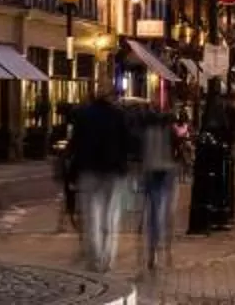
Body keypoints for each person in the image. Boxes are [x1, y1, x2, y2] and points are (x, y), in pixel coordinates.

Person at [67, 92, 134, 275]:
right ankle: (107, 259)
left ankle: (95, 259)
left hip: (89, 170)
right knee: (110, 217)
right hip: (113, 171)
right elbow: (129, 143)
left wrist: (72, 172)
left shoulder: (84, 115)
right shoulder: (119, 115)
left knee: (92, 217)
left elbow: (75, 145)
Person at [136, 103, 181, 271]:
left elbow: (141, 154)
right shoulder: (170, 132)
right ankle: (161, 249)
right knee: (164, 213)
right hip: (165, 175)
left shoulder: (146, 133)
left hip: (150, 174)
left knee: (153, 214)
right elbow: (177, 152)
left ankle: (153, 251)